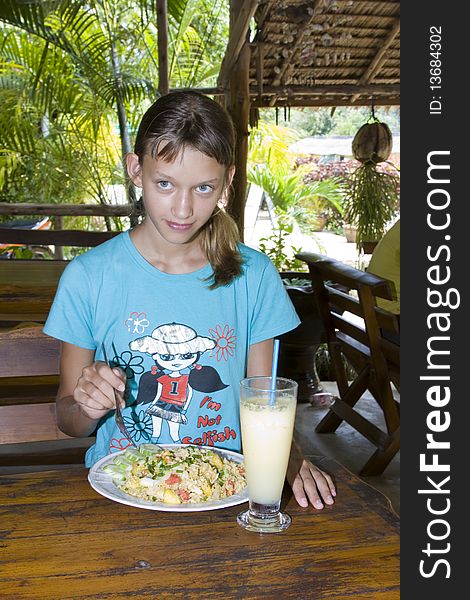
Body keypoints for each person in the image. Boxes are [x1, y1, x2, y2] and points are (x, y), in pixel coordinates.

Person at [44, 91, 336, 509]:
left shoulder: (254, 277)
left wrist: (290, 459)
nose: (182, 208)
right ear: (135, 169)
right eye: (165, 183)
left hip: (229, 489)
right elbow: (67, 419)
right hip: (124, 489)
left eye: (203, 188)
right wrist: (87, 406)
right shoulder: (89, 277)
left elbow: (263, 401)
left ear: (228, 180)